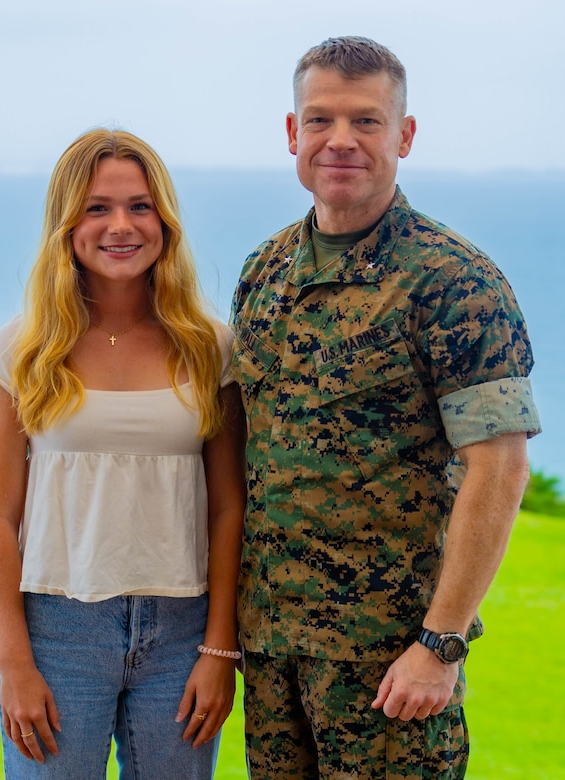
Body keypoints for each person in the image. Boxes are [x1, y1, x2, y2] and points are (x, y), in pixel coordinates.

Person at [230, 36, 542, 779]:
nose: (341, 140)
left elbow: (498, 471)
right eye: (320, 120)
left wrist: (440, 645)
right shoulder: (264, 271)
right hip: (271, 658)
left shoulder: (454, 284)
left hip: (390, 668)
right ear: (292, 134)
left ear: (403, 136)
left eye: (366, 121)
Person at [0, 128, 245, 779]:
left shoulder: (211, 346)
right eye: (97, 208)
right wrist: (14, 663)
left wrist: (218, 651)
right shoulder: (21, 350)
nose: (120, 226)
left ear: (165, 222)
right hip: (57, 633)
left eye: (139, 206)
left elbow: (230, 509)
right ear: (67, 223)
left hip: (183, 634)